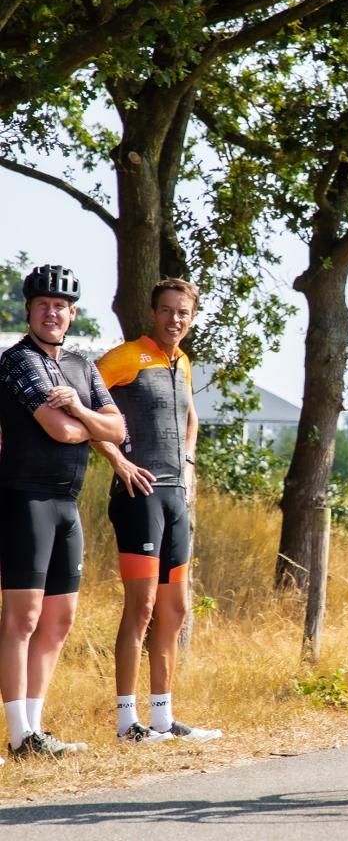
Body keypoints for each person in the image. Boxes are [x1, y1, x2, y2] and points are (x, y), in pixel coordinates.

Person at [0, 264, 125, 757]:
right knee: (22, 618)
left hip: (66, 503)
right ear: (29, 310)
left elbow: (117, 430)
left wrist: (80, 407)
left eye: (61, 306)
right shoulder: (17, 361)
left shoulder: (82, 365)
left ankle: (35, 728)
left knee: (59, 619)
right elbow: (60, 431)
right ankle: (16, 733)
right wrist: (85, 419)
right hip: (24, 496)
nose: (52, 313)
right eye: (43, 305)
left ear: (72, 315)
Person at [93, 278, 221, 743]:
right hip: (138, 496)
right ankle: (128, 722)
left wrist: (189, 462)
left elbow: (190, 416)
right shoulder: (128, 357)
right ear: (153, 313)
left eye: (183, 312)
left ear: (192, 317)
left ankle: (163, 718)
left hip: (174, 497)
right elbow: (85, 402)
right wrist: (117, 459)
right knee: (141, 607)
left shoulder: (181, 361)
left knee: (176, 607)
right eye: (167, 310)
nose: (175, 319)